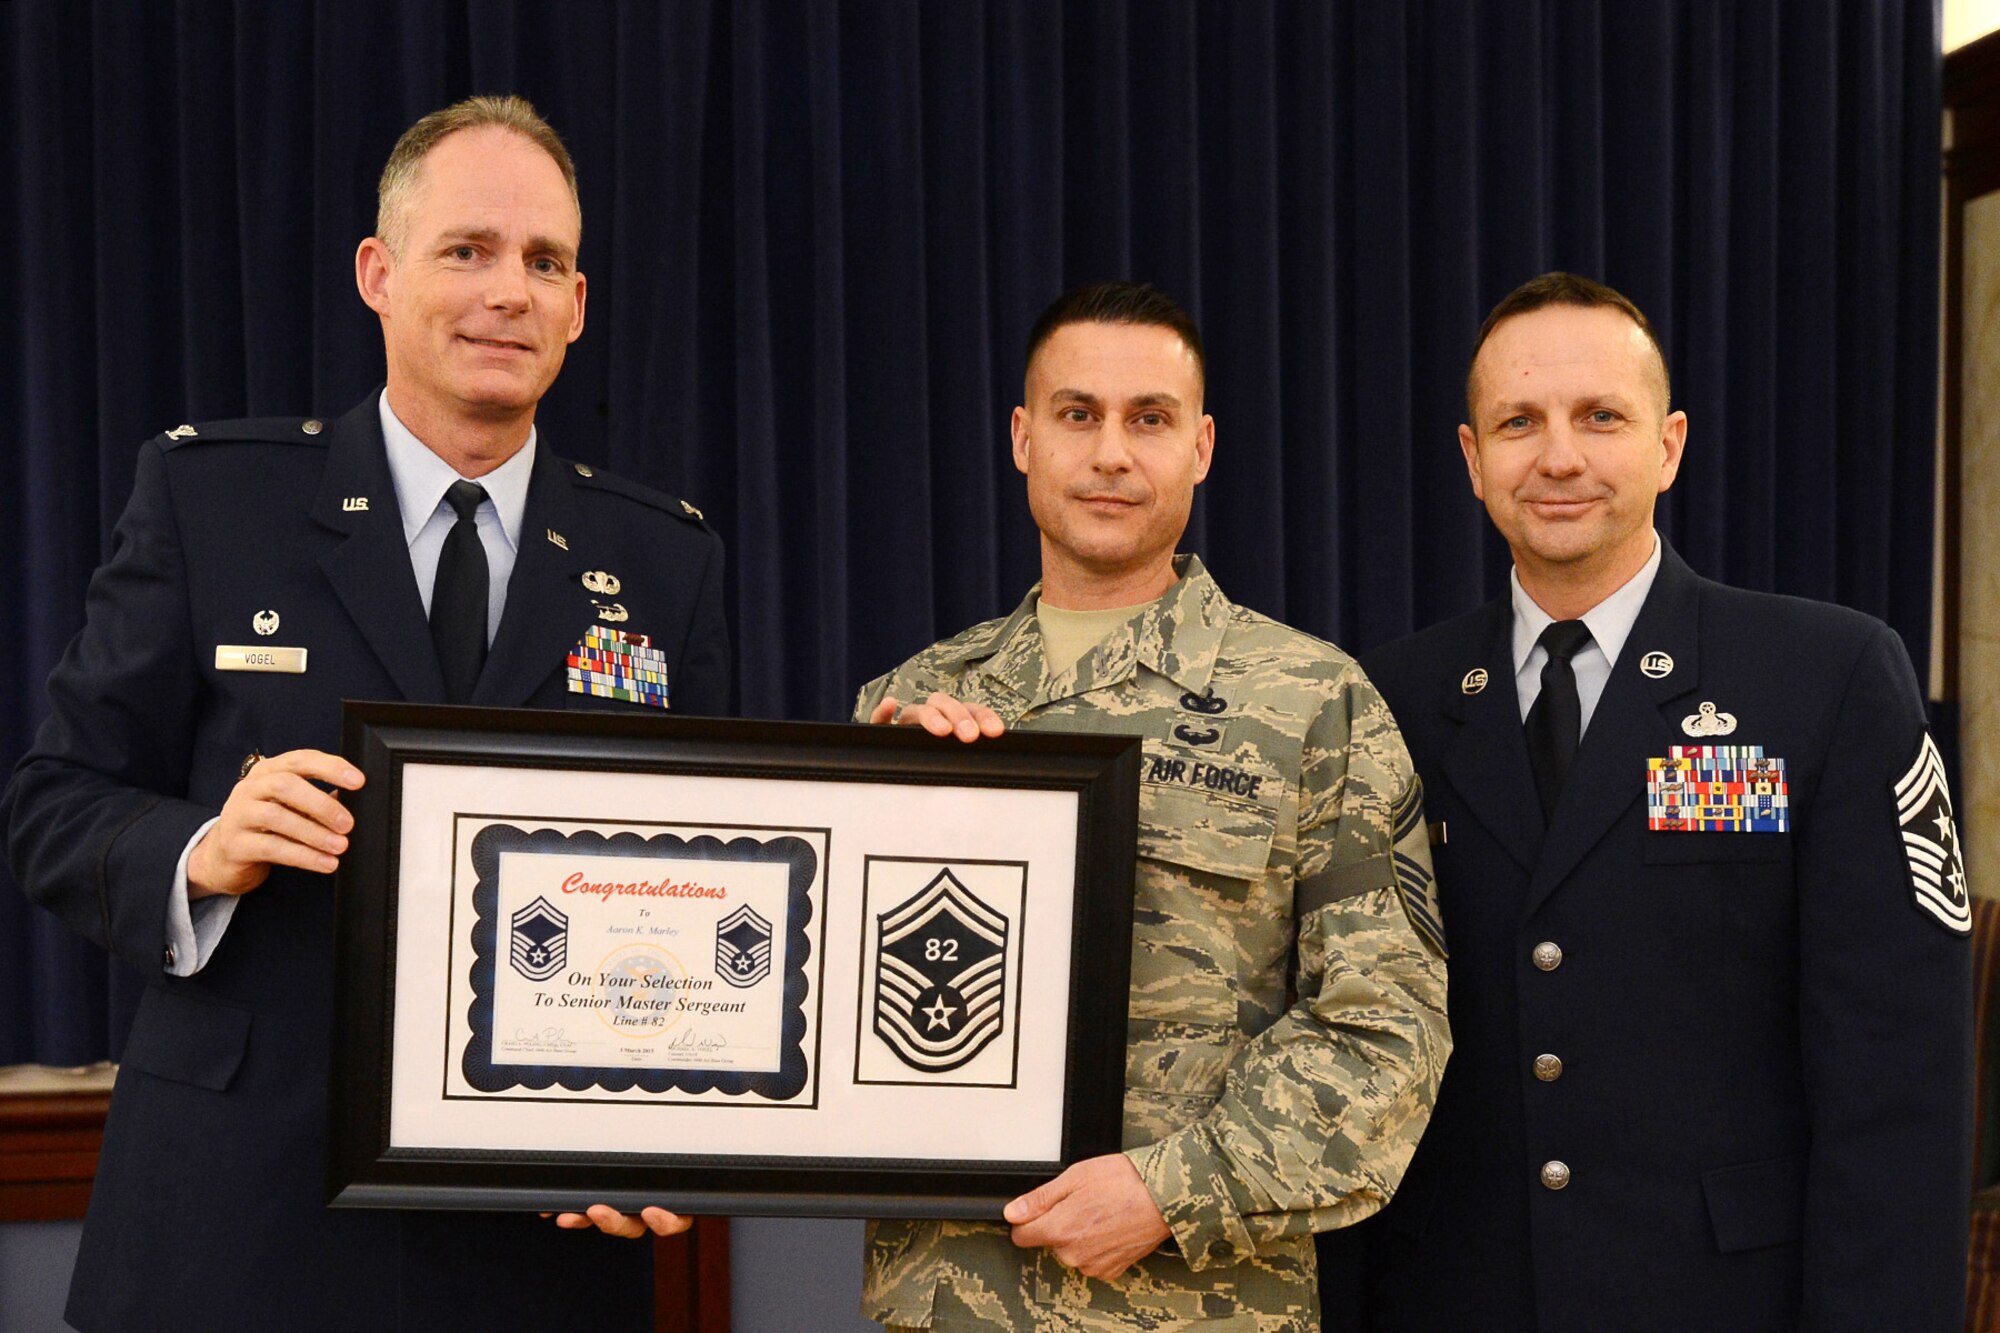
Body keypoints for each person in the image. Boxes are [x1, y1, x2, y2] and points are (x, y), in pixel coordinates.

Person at [2, 95, 725, 1331]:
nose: (509, 291)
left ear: (579, 307)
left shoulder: (662, 560)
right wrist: (200, 851)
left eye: (544, 261)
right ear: (377, 275)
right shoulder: (210, 499)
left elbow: (706, 881)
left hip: (532, 1242)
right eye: (468, 250)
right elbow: (53, 802)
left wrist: (659, 1125)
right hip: (233, 1227)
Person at [1317, 272, 1974, 1331]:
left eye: (1599, 417)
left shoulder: (1826, 677)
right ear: (1471, 459)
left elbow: (1898, 1086)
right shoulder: (1389, 697)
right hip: (1453, 1298)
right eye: (1517, 422)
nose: (1559, 456)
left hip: (1723, 1300)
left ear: (1665, 445)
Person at [855, 282, 1450, 1331]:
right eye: (1076, 414)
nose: (1111, 454)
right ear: (1021, 437)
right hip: (949, 1303)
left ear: (1202, 445)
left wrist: (1171, 1192)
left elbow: (1386, 1030)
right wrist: (881, 817)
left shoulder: (1315, 701)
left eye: (1149, 419)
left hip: (1197, 1307)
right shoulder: (910, 703)